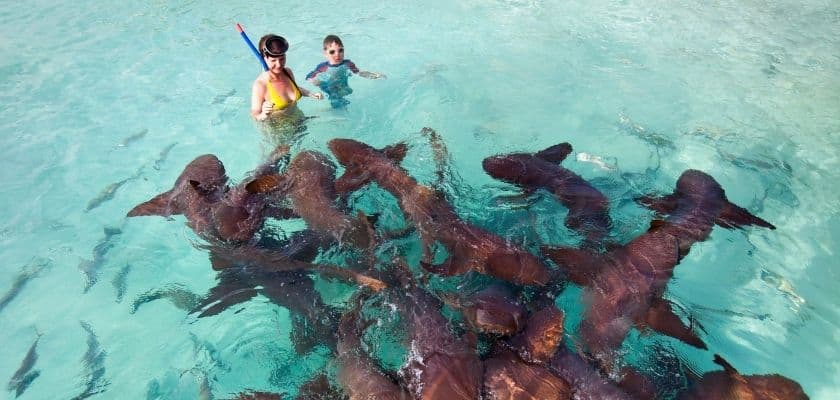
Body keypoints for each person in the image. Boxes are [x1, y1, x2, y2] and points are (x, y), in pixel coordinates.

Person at [251, 34, 323, 122]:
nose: (279, 65)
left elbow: (295, 89)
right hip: (280, 133)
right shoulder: (260, 85)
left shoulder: (287, 72)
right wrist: (264, 114)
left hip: (300, 122)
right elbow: (255, 115)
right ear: (263, 59)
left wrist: (311, 94)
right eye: (273, 60)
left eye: (282, 59)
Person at [306, 34, 385, 108]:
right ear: (325, 54)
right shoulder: (323, 67)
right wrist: (315, 81)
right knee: (336, 102)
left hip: (342, 87)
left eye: (340, 50)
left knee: (349, 91)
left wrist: (374, 75)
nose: (337, 54)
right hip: (328, 87)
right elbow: (310, 77)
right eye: (332, 52)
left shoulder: (347, 63)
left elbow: (359, 73)